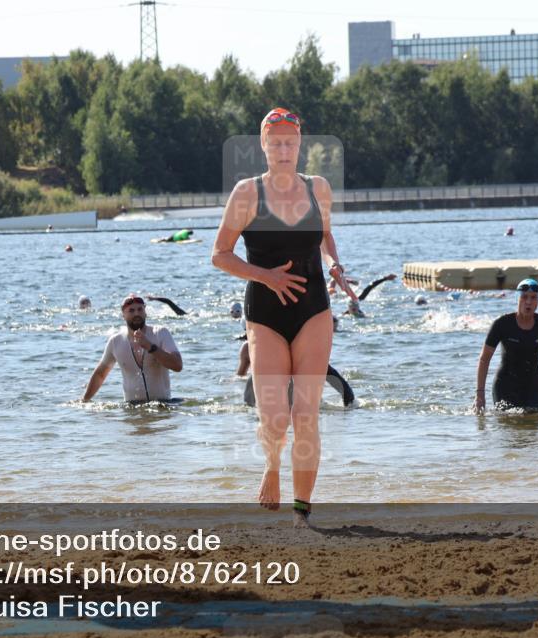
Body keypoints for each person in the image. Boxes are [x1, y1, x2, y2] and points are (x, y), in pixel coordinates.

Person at [211, 107, 355, 524]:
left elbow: (325, 233)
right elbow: (219, 255)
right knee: (274, 418)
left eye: (291, 142)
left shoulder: (318, 189)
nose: (284, 149)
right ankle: (272, 465)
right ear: (263, 145)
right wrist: (265, 276)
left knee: (305, 414)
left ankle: (301, 512)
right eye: (276, 143)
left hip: (314, 311)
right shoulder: (247, 193)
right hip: (265, 313)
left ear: (300, 144)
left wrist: (334, 264)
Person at [474, 279, 538, 413]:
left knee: (536, 427)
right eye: (524, 297)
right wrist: (480, 393)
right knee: (509, 427)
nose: (528, 302)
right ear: (517, 298)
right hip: (505, 386)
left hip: (535, 387)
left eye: (533, 298)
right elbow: (484, 359)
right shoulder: (502, 324)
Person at [83, 295, 183, 403]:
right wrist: (84, 400)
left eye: (140, 309)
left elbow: (177, 365)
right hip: (131, 411)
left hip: (162, 407)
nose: (136, 314)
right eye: (131, 310)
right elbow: (100, 374)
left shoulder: (160, 333)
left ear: (145, 312)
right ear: (123, 315)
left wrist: (151, 347)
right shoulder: (115, 341)